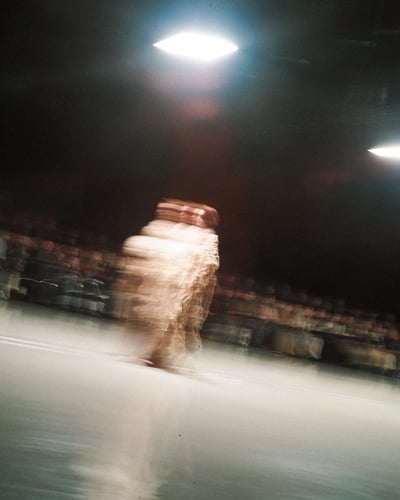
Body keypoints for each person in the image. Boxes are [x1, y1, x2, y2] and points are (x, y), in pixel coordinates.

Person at [122, 199, 220, 371]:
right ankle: (157, 355)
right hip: (177, 286)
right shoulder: (189, 234)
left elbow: (205, 266)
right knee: (165, 322)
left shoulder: (207, 239)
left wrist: (191, 288)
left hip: (188, 289)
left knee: (177, 325)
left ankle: (172, 358)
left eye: (198, 216)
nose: (194, 218)